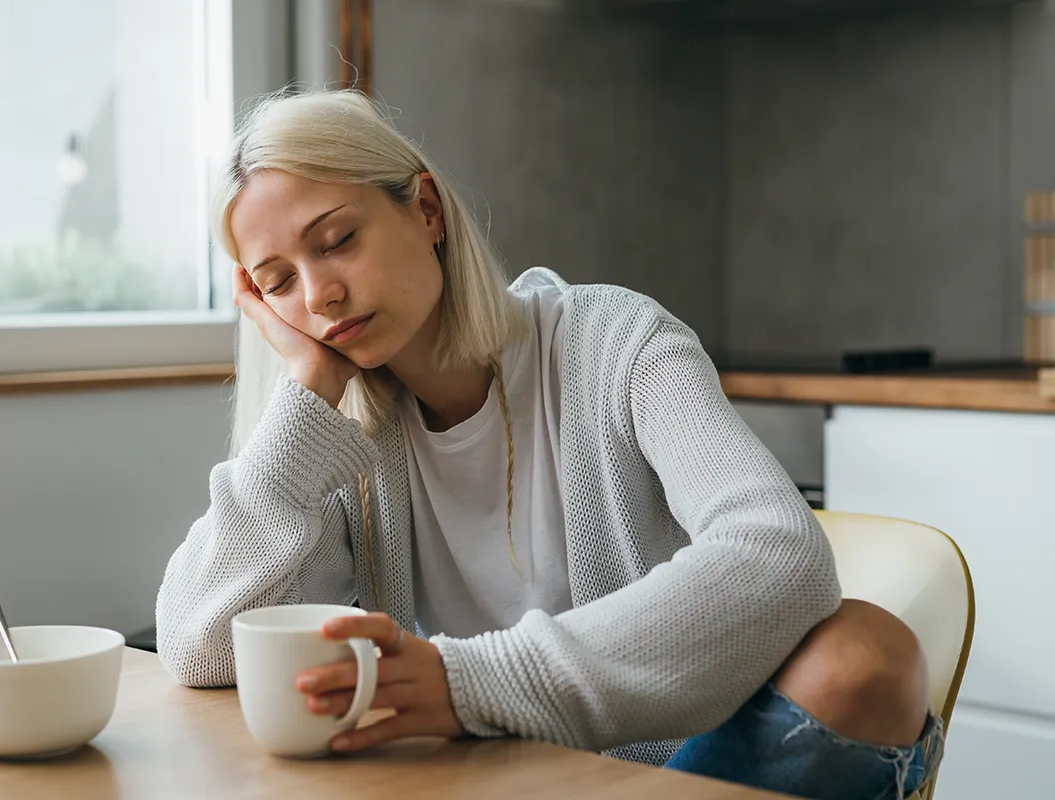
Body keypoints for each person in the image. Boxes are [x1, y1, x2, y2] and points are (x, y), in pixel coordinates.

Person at [156, 89, 942, 800]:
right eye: (278, 281)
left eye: (336, 240)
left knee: (866, 655)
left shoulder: (617, 341)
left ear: (425, 210)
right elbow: (199, 649)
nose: (319, 293)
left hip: (679, 767)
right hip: (491, 778)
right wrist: (301, 399)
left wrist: (472, 683)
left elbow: (779, 553)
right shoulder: (338, 435)